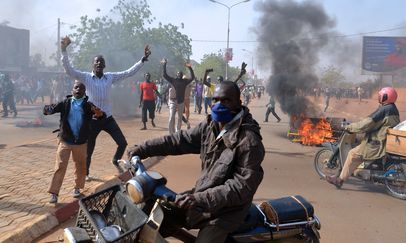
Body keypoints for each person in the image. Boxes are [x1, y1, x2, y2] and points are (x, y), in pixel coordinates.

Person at [127, 79, 265, 242]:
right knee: (148, 221)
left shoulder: (249, 140)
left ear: (238, 103)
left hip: (226, 212)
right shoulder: (211, 126)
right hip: (199, 198)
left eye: (226, 100)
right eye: (216, 100)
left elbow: (241, 187)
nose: (219, 104)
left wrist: (199, 199)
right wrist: (142, 149)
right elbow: (178, 141)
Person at [60, 36, 151, 179]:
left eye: (101, 62)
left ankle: (115, 160)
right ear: (92, 65)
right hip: (92, 120)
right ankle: (86, 173)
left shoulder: (110, 77)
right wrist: (64, 51)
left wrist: (142, 60)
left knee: (122, 143)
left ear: (104, 65)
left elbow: (128, 72)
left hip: (107, 118)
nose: (99, 64)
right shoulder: (85, 77)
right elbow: (69, 70)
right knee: (89, 150)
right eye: (96, 62)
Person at [43, 81, 105, 203]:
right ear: (72, 90)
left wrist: (100, 114)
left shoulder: (88, 105)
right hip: (65, 140)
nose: (78, 90)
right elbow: (50, 109)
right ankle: (54, 193)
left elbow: (100, 116)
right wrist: (47, 110)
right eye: (76, 87)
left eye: (81, 89)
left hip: (81, 142)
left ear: (84, 92)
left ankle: (77, 188)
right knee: (60, 166)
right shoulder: (65, 103)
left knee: (81, 167)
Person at [326, 87, 400, 188]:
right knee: (359, 143)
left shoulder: (385, 109)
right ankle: (359, 171)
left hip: (376, 143)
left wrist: (350, 127)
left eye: (381, 96)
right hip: (384, 139)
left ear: (386, 97)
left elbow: (367, 124)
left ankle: (340, 180)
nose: (379, 98)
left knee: (352, 154)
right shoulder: (393, 108)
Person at [161, 58, 195, 134]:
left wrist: (190, 68)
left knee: (180, 118)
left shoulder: (185, 81)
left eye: (180, 74)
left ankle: (177, 131)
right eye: (178, 74)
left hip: (181, 102)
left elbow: (192, 77)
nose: (179, 75)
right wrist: (164, 65)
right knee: (171, 117)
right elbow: (164, 75)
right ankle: (171, 133)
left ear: (182, 75)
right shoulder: (173, 80)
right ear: (176, 75)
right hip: (173, 101)